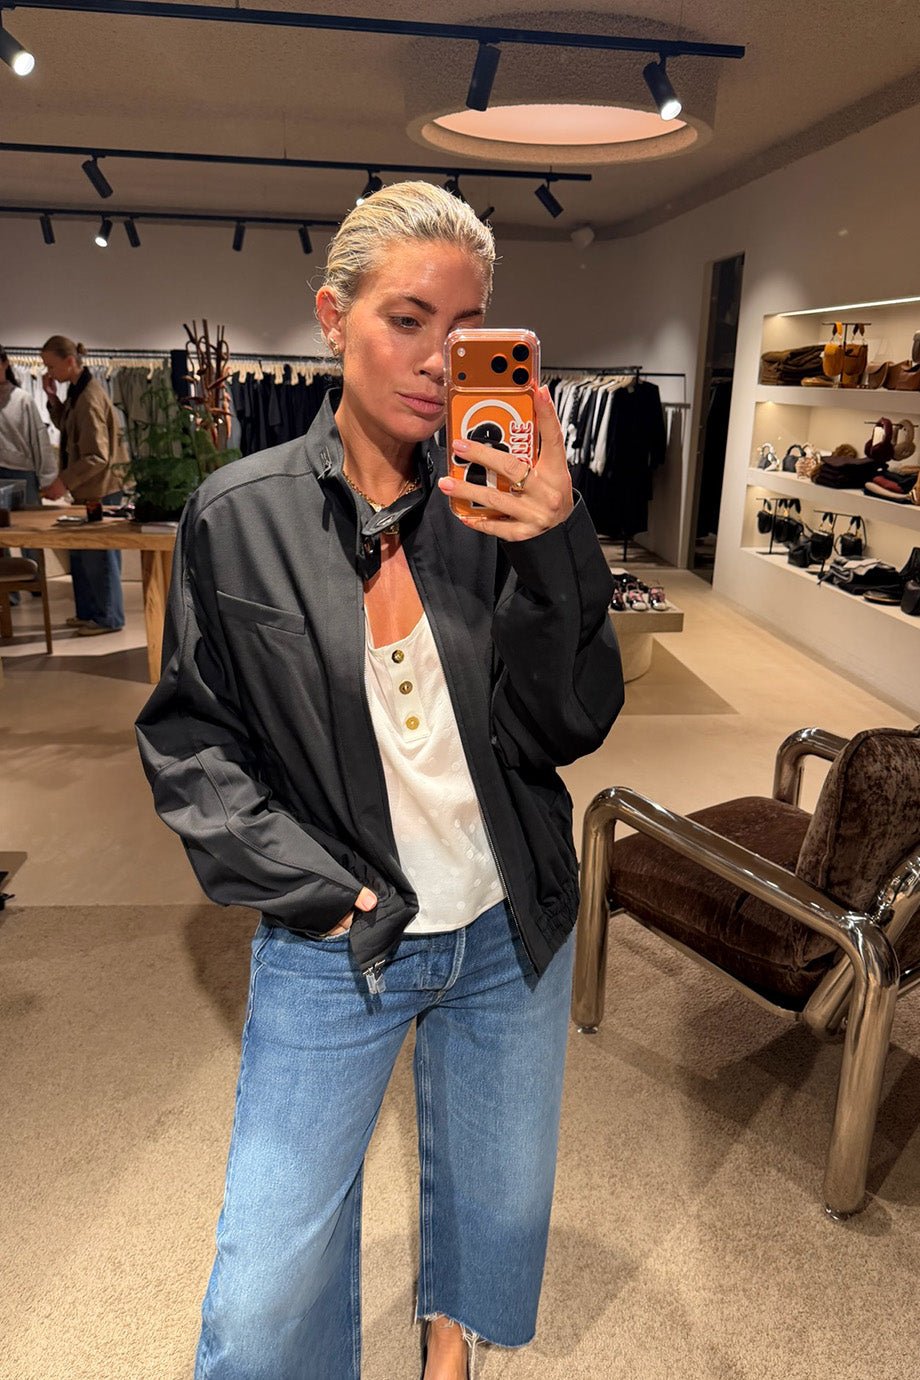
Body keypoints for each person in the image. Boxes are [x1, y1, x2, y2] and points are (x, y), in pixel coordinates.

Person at [135, 181, 623, 1380]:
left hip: (507, 927)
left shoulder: (500, 504)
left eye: (467, 332)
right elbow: (191, 742)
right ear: (330, 318)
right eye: (406, 320)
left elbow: (566, 721)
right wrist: (317, 891)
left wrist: (557, 540)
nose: (438, 361)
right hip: (340, 941)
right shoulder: (236, 516)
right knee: (261, 1299)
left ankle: (445, 1356)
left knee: (493, 1207)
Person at [40, 335, 127, 634]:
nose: (49, 373)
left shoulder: (89, 396)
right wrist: (53, 400)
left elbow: (97, 456)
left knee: (98, 554)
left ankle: (107, 618)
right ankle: (90, 612)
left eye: (51, 366)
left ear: (69, 361)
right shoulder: (79, 390)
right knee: (82, 553)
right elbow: (70, 428)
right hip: (91, 489)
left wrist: (63, 482)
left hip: (100, 489)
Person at [0, 345, 61, 598]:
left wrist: (48, 478)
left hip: (22, 474)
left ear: (5, 363)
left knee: (30, 533)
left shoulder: (22, 399)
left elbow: (39, 439)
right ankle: (7, 593)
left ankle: (37, 586)